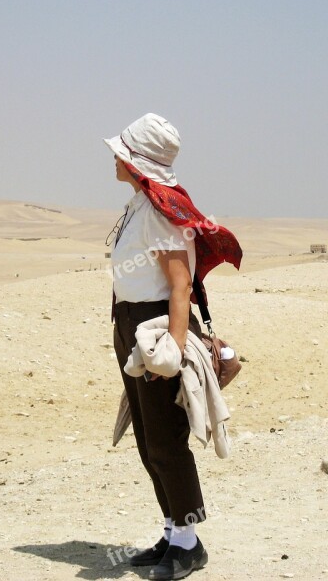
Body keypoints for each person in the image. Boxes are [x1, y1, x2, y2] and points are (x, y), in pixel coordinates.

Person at [104, 113, 241, 580]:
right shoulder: (140, 205)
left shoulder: (161, 210)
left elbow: (180, 283)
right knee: (147, 438)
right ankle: (171, 531)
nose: (113, 157)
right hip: (131, 327)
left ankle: (188, 544)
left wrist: (175, 350)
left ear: (138, 160)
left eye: (120, 151)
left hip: (156, 331)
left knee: (165, 439)